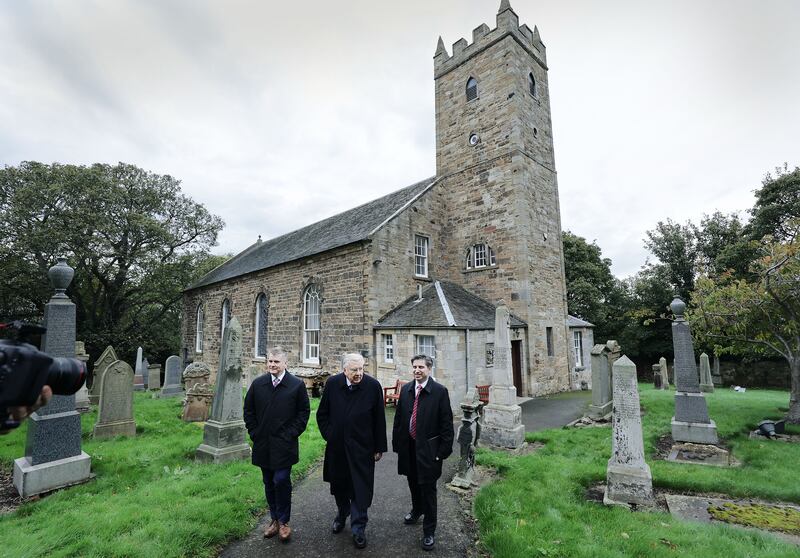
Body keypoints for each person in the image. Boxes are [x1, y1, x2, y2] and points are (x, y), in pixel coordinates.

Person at [316, 353, 387, 550]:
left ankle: (358, 528)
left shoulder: (372, 386)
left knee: (360, 488)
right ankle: (342, 513)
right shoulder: (332, 384)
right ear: (344, 370)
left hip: (363, 448)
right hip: (337, 447)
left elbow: (379, 420)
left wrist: (379, 447)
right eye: (354, 370)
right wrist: (331, 435)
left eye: (361, 369)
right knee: (339, 485)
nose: (359, 373)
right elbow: (322, 414)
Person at [243, 347, 310, 543]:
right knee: (268, 482)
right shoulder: (258, 384)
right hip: (263, 443)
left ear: (285, 364)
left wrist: (290, 434)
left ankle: (284, 522)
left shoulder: (296, 385)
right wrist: (255, 433)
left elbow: (303, 413)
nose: (272, 365)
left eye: (276, 362)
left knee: (281, 480)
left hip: (284, 444)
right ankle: (274, 519)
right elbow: (248, 411)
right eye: (270, 361)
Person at [392, 354, 454, 551]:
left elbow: (446, 425)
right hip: (409, 448)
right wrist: (397, 445)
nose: (417, 370)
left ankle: (429, 531)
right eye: (414, 367)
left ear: (429, 369)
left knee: (428, 490)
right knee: (412, 482)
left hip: (429, 451)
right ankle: (416, 510)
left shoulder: (439, 392)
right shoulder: (407, 390)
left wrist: (442, 452)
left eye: (421, 367)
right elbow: (399, 419)